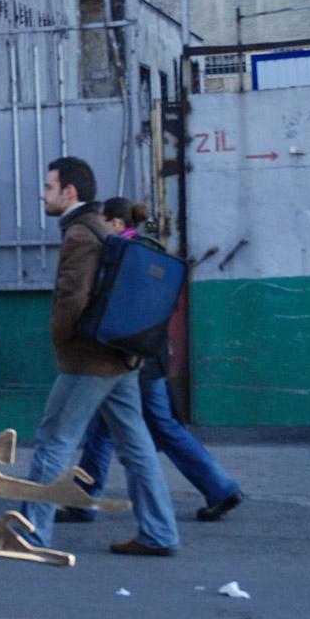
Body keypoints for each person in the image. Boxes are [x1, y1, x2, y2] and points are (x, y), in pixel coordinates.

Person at [18, 158, 180, 556]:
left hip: (89, 360)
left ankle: (30, 533)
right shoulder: (102, 228)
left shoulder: (79, 232)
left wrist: (61, 340)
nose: (43, 193)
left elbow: (72, 297)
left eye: (49, 185)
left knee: (53, 441)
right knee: (136, 446)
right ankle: (159, 533)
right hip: (120, 357)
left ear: (69, 191)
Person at [57, 198, 245, 524]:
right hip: (149, 353)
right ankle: (82, 500)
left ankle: (219, 486)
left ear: (116, 223)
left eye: (106, 222)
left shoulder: (123, 253)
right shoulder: (150, 248)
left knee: (156, 426)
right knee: (106, 429)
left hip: (129, 357)